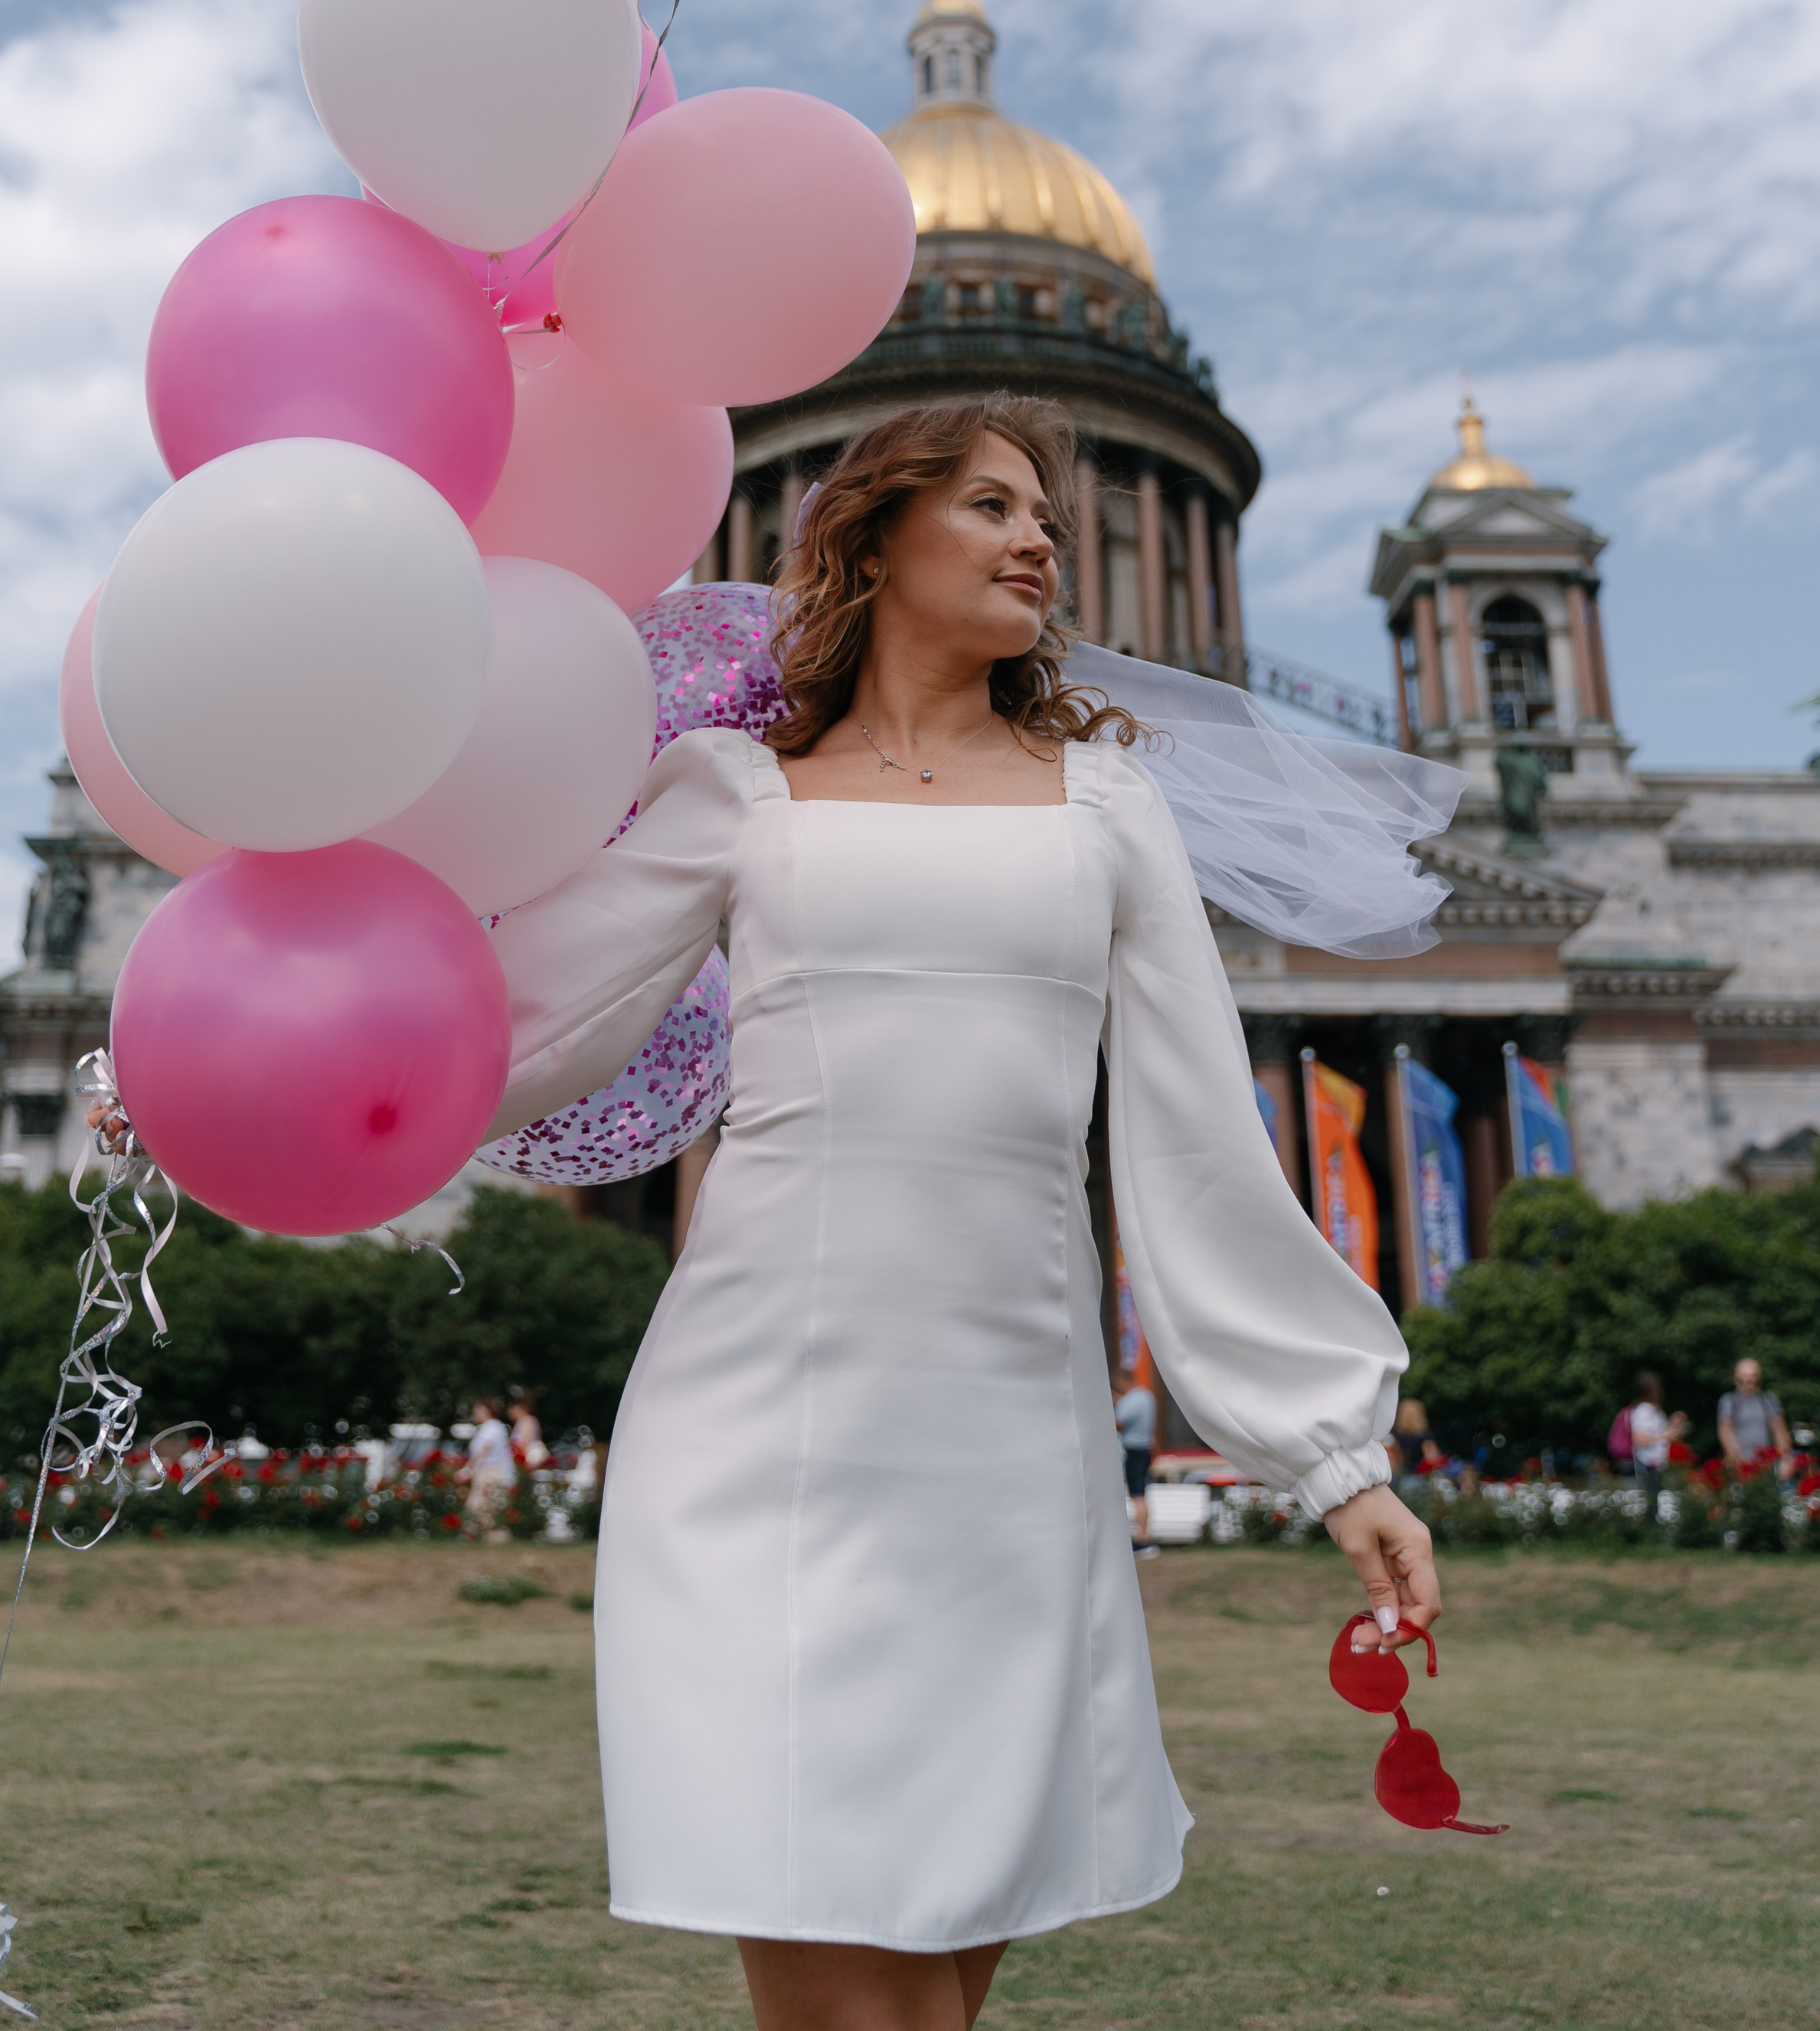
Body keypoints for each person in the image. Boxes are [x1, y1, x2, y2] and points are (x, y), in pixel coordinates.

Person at [485, 397, 1439, 2031]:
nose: (1037, 540)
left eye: (1047, 517)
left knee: (940, 1983)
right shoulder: (729, 790)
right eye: (991, 505)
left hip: (1008, 1443)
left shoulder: (1107, 805)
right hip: (754, 1427)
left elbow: (1202, 1144)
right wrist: (217, 1074)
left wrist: (1329, 1451)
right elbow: (518, 1035)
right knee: (822, 1950)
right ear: (867, 536)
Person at [1717, 1357, 1793, 1481]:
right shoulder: (1729, 1401)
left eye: (1753, 1376)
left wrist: (1786, 1459)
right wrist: (1738, 1460)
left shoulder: (1768, 1400)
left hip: (1767, 1465)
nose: (1749, 1380)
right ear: (1736, 1378)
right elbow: (1726, 1432)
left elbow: (1779, 1430)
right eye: (1744, 1377)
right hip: (1739, 1466)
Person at [1113, 1369, 1158, 1549]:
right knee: (1142, 1493)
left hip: (1133, 1450)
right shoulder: (1147, 1397)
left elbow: (1118, 1423)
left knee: (1137, 1494)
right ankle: (1144, 1535)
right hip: (1145, 1449)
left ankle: (1142, 1538)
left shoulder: (1131, 1400)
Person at [462, 1396, 516, 1543]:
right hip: (486, 1470)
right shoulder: (488, 1428)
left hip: (491, 1472)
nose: (476, 1413)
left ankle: (470, 1536)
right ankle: (482, 1538)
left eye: (479, 1410)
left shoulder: (492, 1427)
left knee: (484, 1505)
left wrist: (468, 1470)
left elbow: (483, 1450)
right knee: (485, 1507)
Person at [1627, 1373, 1670, 1514]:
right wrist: (1666, 1435)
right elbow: (1639, 1439)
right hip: (1648, 1463)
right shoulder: (1643, 1411)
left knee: (1657, 1502)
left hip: (1656, 1463)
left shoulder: (1651, 1410)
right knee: (1652, 1503)